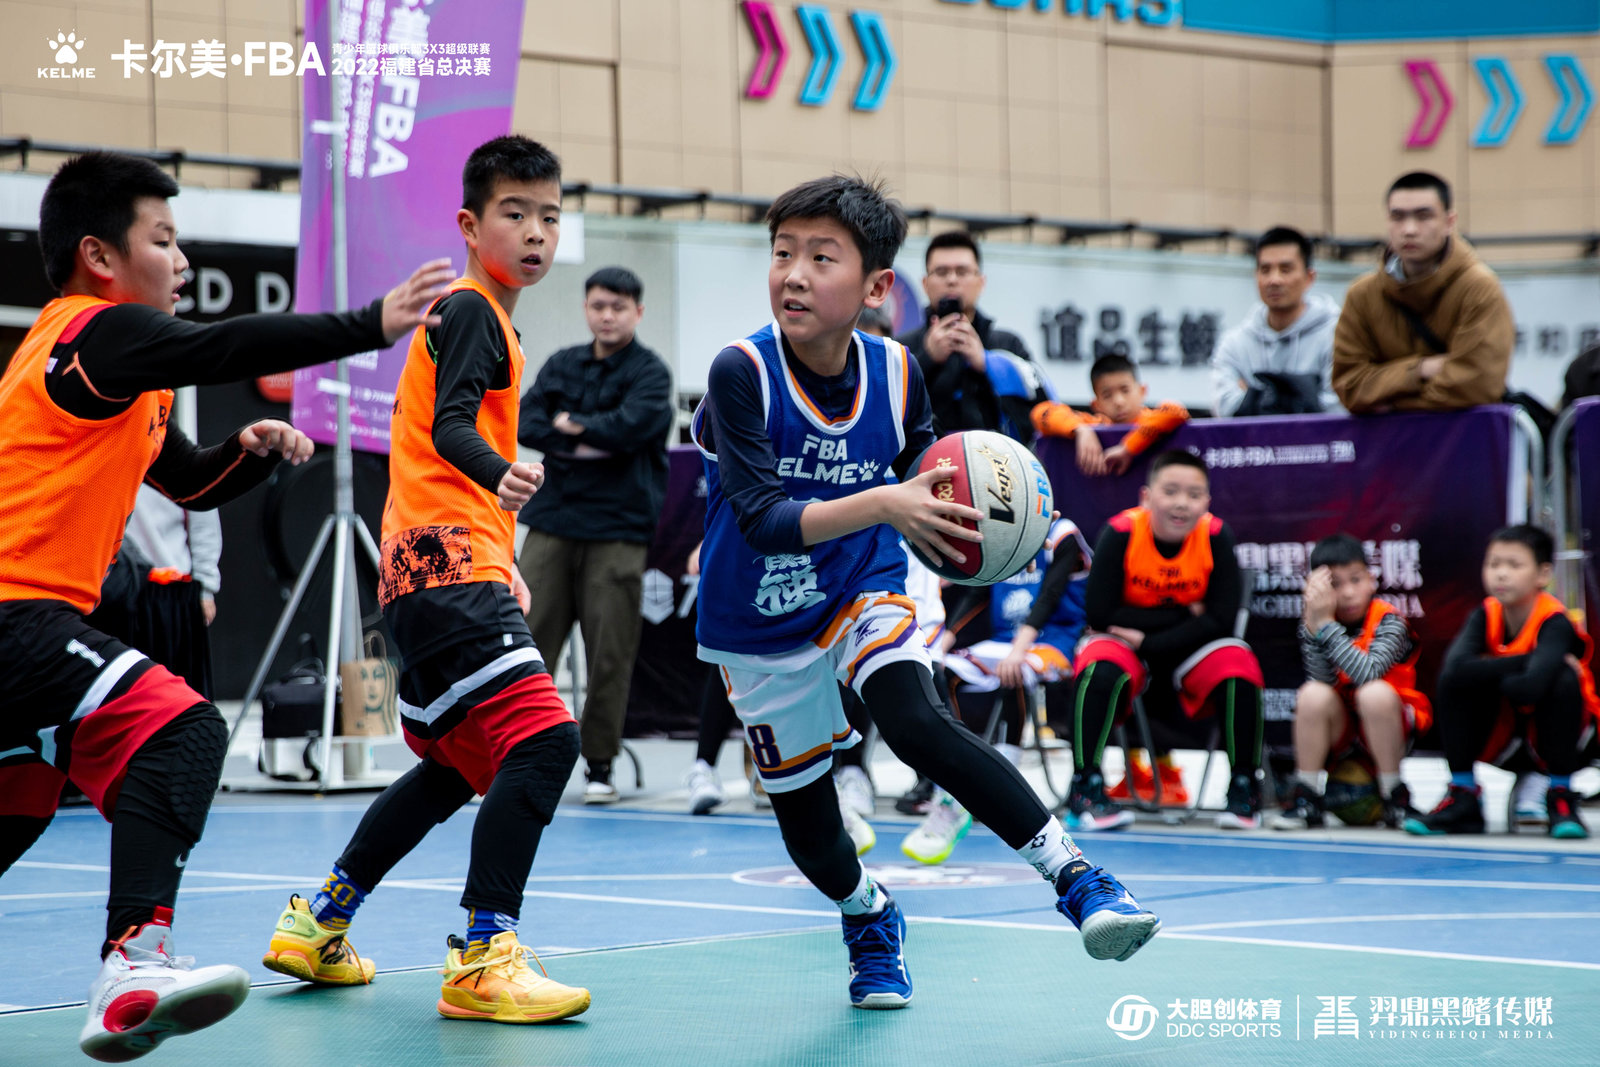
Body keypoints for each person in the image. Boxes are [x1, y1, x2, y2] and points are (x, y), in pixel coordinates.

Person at [0, 149, 451, 1062]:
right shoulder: (91, 332)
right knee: (183, 728)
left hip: (32, 623)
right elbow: (225, 346)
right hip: (16, 616)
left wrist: (245, 452)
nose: (182, 260)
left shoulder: (123, 373)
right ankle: (134, 963)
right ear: (99, 255)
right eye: (163, 240)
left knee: (19, 803)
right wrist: (370, 323)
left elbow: (189, 483)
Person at [692, 174, 1159, 1010]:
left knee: (915, 718)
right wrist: (888, 500)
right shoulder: (742, 372)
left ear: (875, 287)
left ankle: (1081, 878)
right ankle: (868, 912)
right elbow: (761, 519)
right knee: (811, 836)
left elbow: (926, 474)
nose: (793, 274)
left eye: (821, 257)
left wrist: (985, 521)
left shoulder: (900, 371)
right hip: (757, 614)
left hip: (861, 583)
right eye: (782, 253)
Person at [261, 136, 595, 1023]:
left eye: (550, 215)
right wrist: (502, 475)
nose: (536, 231)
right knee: (545, 741)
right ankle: (485, 956)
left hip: (422, 569)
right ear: (469, 225)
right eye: (515, 213)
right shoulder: (474, 309)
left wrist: (503, 554)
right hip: (450, 567)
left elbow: (432, 446)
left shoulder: (479, 317)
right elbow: (452, 430)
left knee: (453, 765)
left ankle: (320, 919)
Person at [517, 266, 675, 803]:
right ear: (586, 308)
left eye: (618, 307)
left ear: (638, 312)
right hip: (552, 521)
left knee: (610, 651)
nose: (607, 316)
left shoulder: (651, 374)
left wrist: (570, 427)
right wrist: (591, 438)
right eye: (598, 306)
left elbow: (633, 428)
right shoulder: (563, 363)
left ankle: (600, 764)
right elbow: (526, 421)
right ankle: (516, 754)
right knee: (527, 642)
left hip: (618, 528)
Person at [1068, 451, 1267, 830]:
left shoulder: (1215, 535)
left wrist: (1147, 637)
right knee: (1098, 664)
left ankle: (1244, 785)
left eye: (1194, 494)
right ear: (1146, 497)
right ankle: (1085, 785)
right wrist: (1187, 613)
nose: (1181, 503)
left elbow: (1222, 620)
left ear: (1206, 502)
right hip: (1130, 646)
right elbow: (1101, 614)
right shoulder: (1121, 532)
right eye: (1171, 491)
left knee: (1239, 663)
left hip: (1185, 648)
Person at [904, 517, 1093, 859]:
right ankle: (962, 770)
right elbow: (978, 591)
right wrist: (945, 641)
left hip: (1056, 642)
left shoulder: (1062, 534)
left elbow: (1050, 595)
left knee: (1014, 670)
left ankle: (1004, 777)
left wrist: (1019, 650)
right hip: (1005, 641)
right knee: (942, 671)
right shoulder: (1000, 534)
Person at [1406, 525, 1598, 839]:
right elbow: (1456, 669)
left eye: (1514, 565)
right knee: (1452, 681)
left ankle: (1561, 795)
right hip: (1504, 738)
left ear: (1543, 574)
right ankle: (1463, 794)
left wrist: (1485, 668)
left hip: (1571, 742)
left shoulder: (1556, 621)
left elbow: (1531, 688)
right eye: (1494, 564)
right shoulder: (1485, 614)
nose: (1501, 573)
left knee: (1562, 679)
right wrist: (1530, 660)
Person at [1272, 534, 1430, 830]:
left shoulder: (1389, 620)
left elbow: (1368, 674)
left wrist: (1325, 627)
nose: (1347, 593)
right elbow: (1322, 679)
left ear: (1371, 579)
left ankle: (1394, 797)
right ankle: (1307, 797)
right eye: (1334, 584)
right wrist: (1315, 627)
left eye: (1356, 580)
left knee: (1374, 693)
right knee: (1312, 694)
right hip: (1342, 728)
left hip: (1390, 723)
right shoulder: (1315, 622)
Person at [1331, 171, 1514, 414]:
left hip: (1463, 436)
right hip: (1388, 439)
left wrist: (1393, 404)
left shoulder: (1478, 288)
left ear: (1449, 222)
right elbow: (1349, 386)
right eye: (1397, 217)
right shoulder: (1362, 294)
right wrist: (1420, 369)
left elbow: (1476, 386)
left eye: (1423, 216)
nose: (1409, 229)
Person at [894, 231, 1051, 442]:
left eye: (962, 271)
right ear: (925, 283)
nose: (952, 280)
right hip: (925, 458)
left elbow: (1042, 406)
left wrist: (986, 363)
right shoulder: (902, 348)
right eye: (941, 272)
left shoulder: (1007, 344)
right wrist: (927, 359)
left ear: (981, 281)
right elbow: (888, 410)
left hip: (997, 457)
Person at [1210, 227, 1341, 417]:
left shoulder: (1337, 335)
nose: (1274, 280)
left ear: (1309, 277)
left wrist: (1253, 396)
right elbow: (1226, 409)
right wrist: (1305, 393)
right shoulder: (1234, 344)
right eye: (1265, 270)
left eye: (1285, 270)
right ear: (1256, 276)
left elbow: (1338, 409)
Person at [1030, 354, 1189, 477]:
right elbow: (1041, 412)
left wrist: (1128, 448)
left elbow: (1176, 410)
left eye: (1125, 390)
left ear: (1142, 391)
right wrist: (1080, 430)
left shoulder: (1155, 419)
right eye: (1107, 395)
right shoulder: (1093, 425)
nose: (1118, 401)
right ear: (1096, 405)